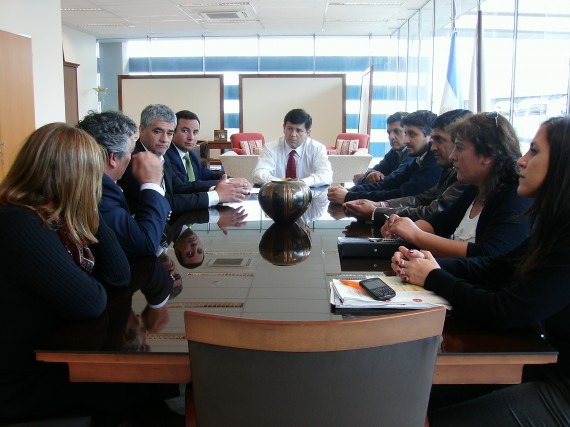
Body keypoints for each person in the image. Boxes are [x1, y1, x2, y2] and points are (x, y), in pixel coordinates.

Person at [391, 116, 570, 427]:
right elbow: (497, 267)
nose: (522, 162)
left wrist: (433, 275)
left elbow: (507, 310)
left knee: (422, 415)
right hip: (546, 367)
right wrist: (419, 265)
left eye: (534, 152)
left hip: (562, 390)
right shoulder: (553, 225)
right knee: (413, 395)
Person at [0, 123, 180, 425]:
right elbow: (90, 302)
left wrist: (88, 210)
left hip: (44, 352)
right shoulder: (19, 223)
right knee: (138, 380)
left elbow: (119, 275)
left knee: (151, 383)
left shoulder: (48, 217)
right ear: (78, 176)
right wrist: (89, 204)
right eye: (93, 176)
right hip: (17, 380)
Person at [382, 112, 532, 258]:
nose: (453, 156)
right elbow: (440, 222)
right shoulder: (475, 188)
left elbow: (487, 254)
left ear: (488, 155)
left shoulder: (515, 196)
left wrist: (415, 234)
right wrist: (400, 227)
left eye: (459, 148)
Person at [77, 111, 177, 324]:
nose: (133, 158)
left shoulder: (100, 183)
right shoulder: (97, 191)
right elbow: (145, 243)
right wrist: (151, 183)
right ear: (113, 158)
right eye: (131, 151)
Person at [118, 104, 251, 217]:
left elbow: (180, 187)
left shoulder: (160, 153)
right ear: (142, 130)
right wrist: (217, 195)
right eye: (158, 131)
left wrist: (221, 187)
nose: (164, 139)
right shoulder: (134, 159)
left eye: (169, 133)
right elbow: (164, 203)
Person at [344, 109, 472, 223]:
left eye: (411, 134)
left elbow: (431, 211)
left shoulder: (444, 166)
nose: (433, 147)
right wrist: (376, 205)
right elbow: (420, 199)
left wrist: (374, 210)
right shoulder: (447, 168)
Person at [328, 110, 441, 205]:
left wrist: (349, 196)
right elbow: (390, 183)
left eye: (412, 134)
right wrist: (348, 191)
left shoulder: (433, 161)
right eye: (406, 134)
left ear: (430, 136)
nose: (406, 140)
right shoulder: (415, 156)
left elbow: (402, 193)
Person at [252, 108, 333, 187]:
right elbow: (258, 174)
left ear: (308, 133)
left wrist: (300, 183)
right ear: (284, 128)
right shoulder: (270, 148)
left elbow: (326, 175)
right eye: (290, 129)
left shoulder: (317, 149)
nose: (293, 134)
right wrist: (283, 183)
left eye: (298, 130)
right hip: (277, 196)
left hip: (308, 197)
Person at [166, 109, 225, 187]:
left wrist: (230, 180)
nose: (191, 137)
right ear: (173, 132)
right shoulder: (167, 156)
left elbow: (206, 174)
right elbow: (184, 186)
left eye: (195, 132)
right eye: (185, 131)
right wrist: (222, 183)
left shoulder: (191, 155)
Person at [352, 111, 411, 185]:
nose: (391, 137)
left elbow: (393, 181)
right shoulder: (394, 152)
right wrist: (372, 174)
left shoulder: (411, 153)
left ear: (408, 132)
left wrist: (361, 180)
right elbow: (375, 170)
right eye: (389, 132)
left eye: (396, 131)